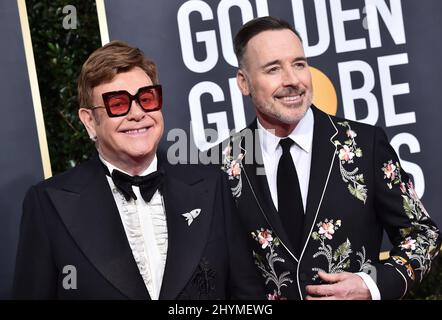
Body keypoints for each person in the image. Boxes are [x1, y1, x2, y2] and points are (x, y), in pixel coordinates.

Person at [13, 41, 264, 299]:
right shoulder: (48, 204)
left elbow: (247, 297)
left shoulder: (211, 186)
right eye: (118, 104)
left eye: (146, 98)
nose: (137, 113)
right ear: (90, 121)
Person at [217, 16, 441, 300]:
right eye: (273, 69)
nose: (292, 80)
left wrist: (371, 287)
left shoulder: (363, 145)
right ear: (244, 82)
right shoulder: (222, 165)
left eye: (299, 64)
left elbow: (423, 235)